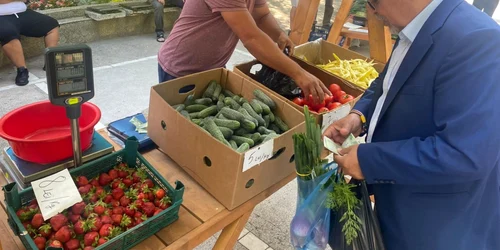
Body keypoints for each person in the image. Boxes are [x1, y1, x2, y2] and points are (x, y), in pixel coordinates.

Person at [323, 0, 500, 249]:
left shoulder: (477, 40)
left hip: (437, 225)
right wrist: (358, 116)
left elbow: (466, 154)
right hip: (400, 201)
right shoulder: (416, 26)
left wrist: (368, 160)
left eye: (372, 2)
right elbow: (389, 82)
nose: (372, 12)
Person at [157, 0, 330, 103]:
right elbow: (251, 38)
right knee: (178, 132)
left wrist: (279, 34)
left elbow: (261, 15)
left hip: (213, 68)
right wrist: (298, 74)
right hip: (181, 68)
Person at [0, 0, 59, 86]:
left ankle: (50, 62)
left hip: (22, 13)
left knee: (52, 25)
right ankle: (22, 70)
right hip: (2, 16)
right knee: (8, 33)